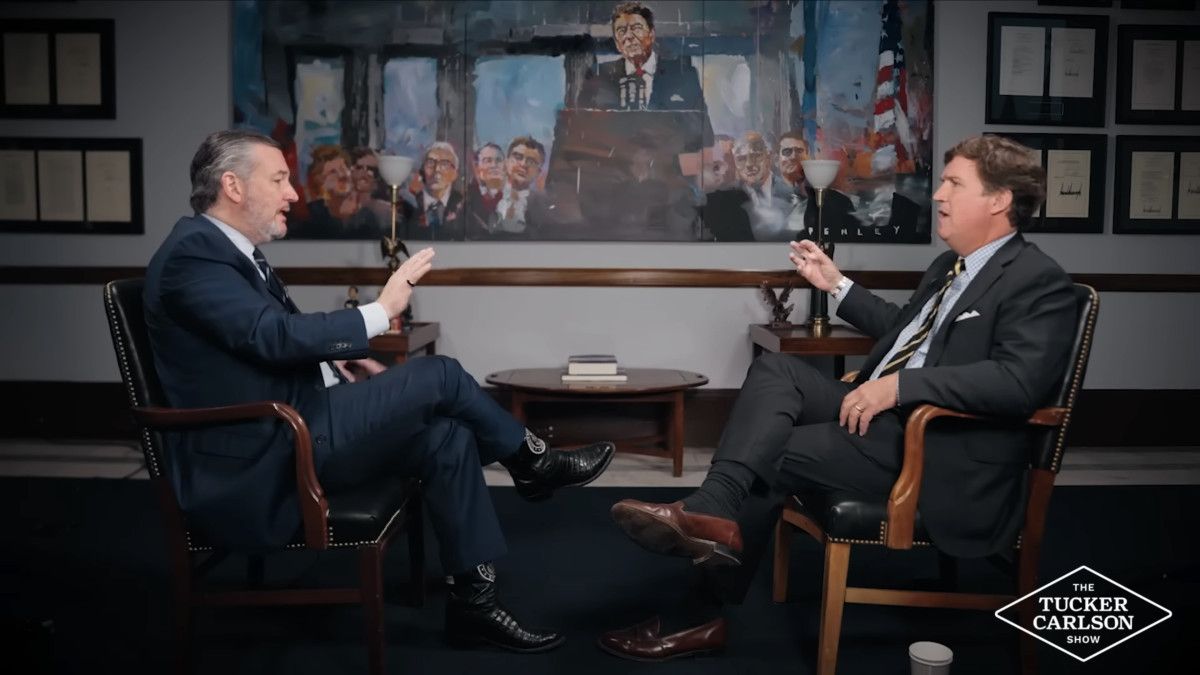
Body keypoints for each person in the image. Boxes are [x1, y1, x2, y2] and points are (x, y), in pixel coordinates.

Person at [600, 134, 1077, 660]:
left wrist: (899, 386)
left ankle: (698, 613)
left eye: (954, 184)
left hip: (937, 448)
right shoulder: (950, 267)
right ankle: (713, 509)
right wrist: (836, 284)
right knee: (779, 369)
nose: (939, 194)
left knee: (769, 451)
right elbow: (906, 329)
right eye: (942, 182)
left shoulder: (1038, 279)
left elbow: (1018, 384)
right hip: (887, 421)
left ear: (999, 200)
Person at [144, 130, 616, 653]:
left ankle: (474, 605)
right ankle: (534, 462)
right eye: (278, 179)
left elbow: (250, 342)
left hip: (295, 422)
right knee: (439, 375)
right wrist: (381, 311)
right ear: (232, 186)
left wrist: (328, 361)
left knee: (447, 435)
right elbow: (269, 335)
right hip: (265, 452)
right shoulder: (194, 254)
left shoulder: (222, 251)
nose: (293, 193)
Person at [578, 1, 704, 112]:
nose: (629, 36)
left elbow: (699, 126)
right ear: (617, 43)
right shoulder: (598, 76)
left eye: (636, 28)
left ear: (651, 35)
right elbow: (580, 124)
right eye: (621, 31)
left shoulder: (683, 76)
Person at [770, 131, 860, 242]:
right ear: (776, 160)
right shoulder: (768, 199)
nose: (793, 156)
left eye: (799, 151)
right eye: (787, 152)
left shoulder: (837, 201)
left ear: (808, 158)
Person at [486, 136, 549, 238]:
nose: (523, 164)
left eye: (531, 161)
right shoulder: (487, 195)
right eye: (518, 157)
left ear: (538, 172)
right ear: (506, 162)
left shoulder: (543, 208)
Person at [405, 141, 465, 241]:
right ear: (422, 170)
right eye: (430, 163)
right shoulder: (409, 204)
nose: (437, 169)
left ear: (455, 174)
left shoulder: (464, 206)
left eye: (444, 164)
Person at [464, 142, 505, 238]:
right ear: (478, 167)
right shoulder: (467, 199)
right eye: (488, 161)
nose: (494, 165)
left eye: (498, 160)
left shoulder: (512, 197)